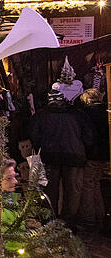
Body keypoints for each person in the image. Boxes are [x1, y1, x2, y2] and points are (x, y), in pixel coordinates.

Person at [31, 89, 93, 226]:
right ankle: (68, 222)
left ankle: (50, 221)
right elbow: (88, 137)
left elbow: (35, 137)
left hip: (50, 156)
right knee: (73, 192)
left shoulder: (41, 115)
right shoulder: (77, 114)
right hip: (74, 157)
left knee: (50, 190)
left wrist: (41, 148)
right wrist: (83, 150)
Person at [79, 89, 109, 229]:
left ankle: (89, 219)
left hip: (91, 155)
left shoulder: (86, 114)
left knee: (88, 186)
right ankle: (100, 216)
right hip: (104, 154)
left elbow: (88, 137)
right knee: (96, 184)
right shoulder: (105, 112)